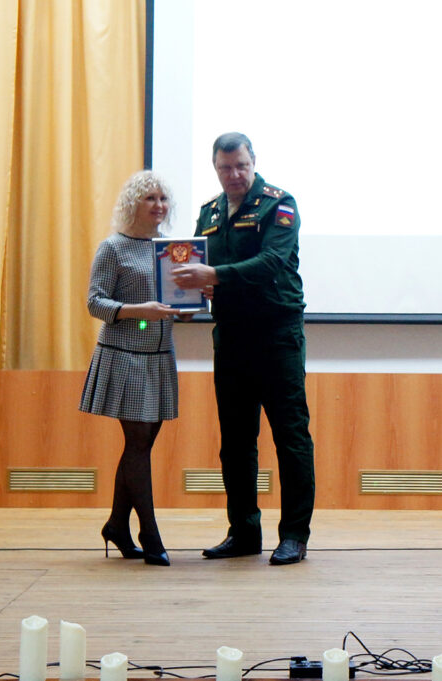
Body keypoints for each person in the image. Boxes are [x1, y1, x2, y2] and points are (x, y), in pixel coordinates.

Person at [172, 132, 315, 565]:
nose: (234, 175)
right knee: (236, 442)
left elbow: (271, 262)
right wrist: (185, 302)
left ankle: (293, 535)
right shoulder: (210, 212)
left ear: (253, 163)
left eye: (241, 167)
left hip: (276, 336)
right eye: (225, 168)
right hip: (231, 337)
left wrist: (213, 276)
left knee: (291, 438)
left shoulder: (278, 203)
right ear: (215, 168)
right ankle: (244, 532)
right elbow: (194, 264)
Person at [79, 170, 184, 567]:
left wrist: (189, 307)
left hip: (159, 357)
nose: (159, 205)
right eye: (150, 198)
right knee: (138, 443)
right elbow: (95, 303)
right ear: (133, 204)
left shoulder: (171, 249)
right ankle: (150, 532)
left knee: (140, 445)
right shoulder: (113, 247)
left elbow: (176, 300)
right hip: (124, 356)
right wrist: (142, 313)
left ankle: (117, 525)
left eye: (163, 198)